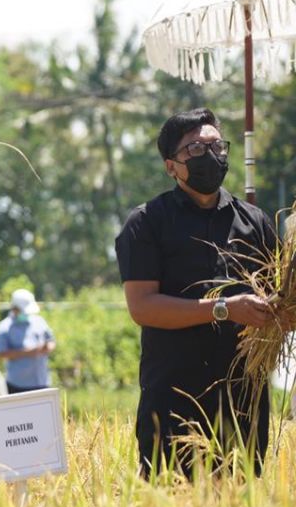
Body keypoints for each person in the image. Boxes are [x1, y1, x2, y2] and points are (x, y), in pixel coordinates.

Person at [115, 108, 276, 479]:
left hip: (243, 401)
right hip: (173, 399)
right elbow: (142, 307)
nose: (211, 154)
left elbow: (276, 300)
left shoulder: (255, 221)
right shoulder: (146, 223)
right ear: (171, 166)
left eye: (216, 145)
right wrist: (224, 309)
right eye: (195, 150)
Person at [0, 289, 55, 393]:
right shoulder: (4, 328)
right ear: (14, 309)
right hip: (18, 385)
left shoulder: (39, 321)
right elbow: (1, 353)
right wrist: (28, 352)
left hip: (42, 381)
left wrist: (47, 348)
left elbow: (51, 340)